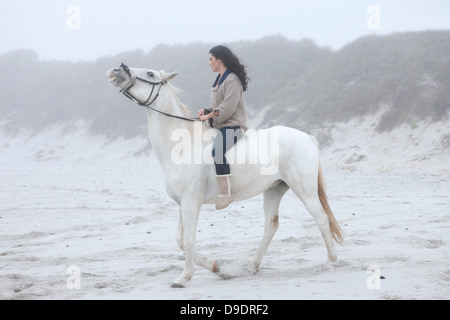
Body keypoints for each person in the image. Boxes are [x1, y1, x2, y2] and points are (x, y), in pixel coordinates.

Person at [198, 45, 250, 210]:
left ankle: (225, 194)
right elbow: (219, 105)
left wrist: (209, 116)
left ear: (219, 60)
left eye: (211, 59)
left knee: (216, 152)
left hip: (233, 126)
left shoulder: (232, 79)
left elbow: (227, 108)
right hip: (222, 126)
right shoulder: (219, 79)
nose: (209, 63)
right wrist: (206, 110)